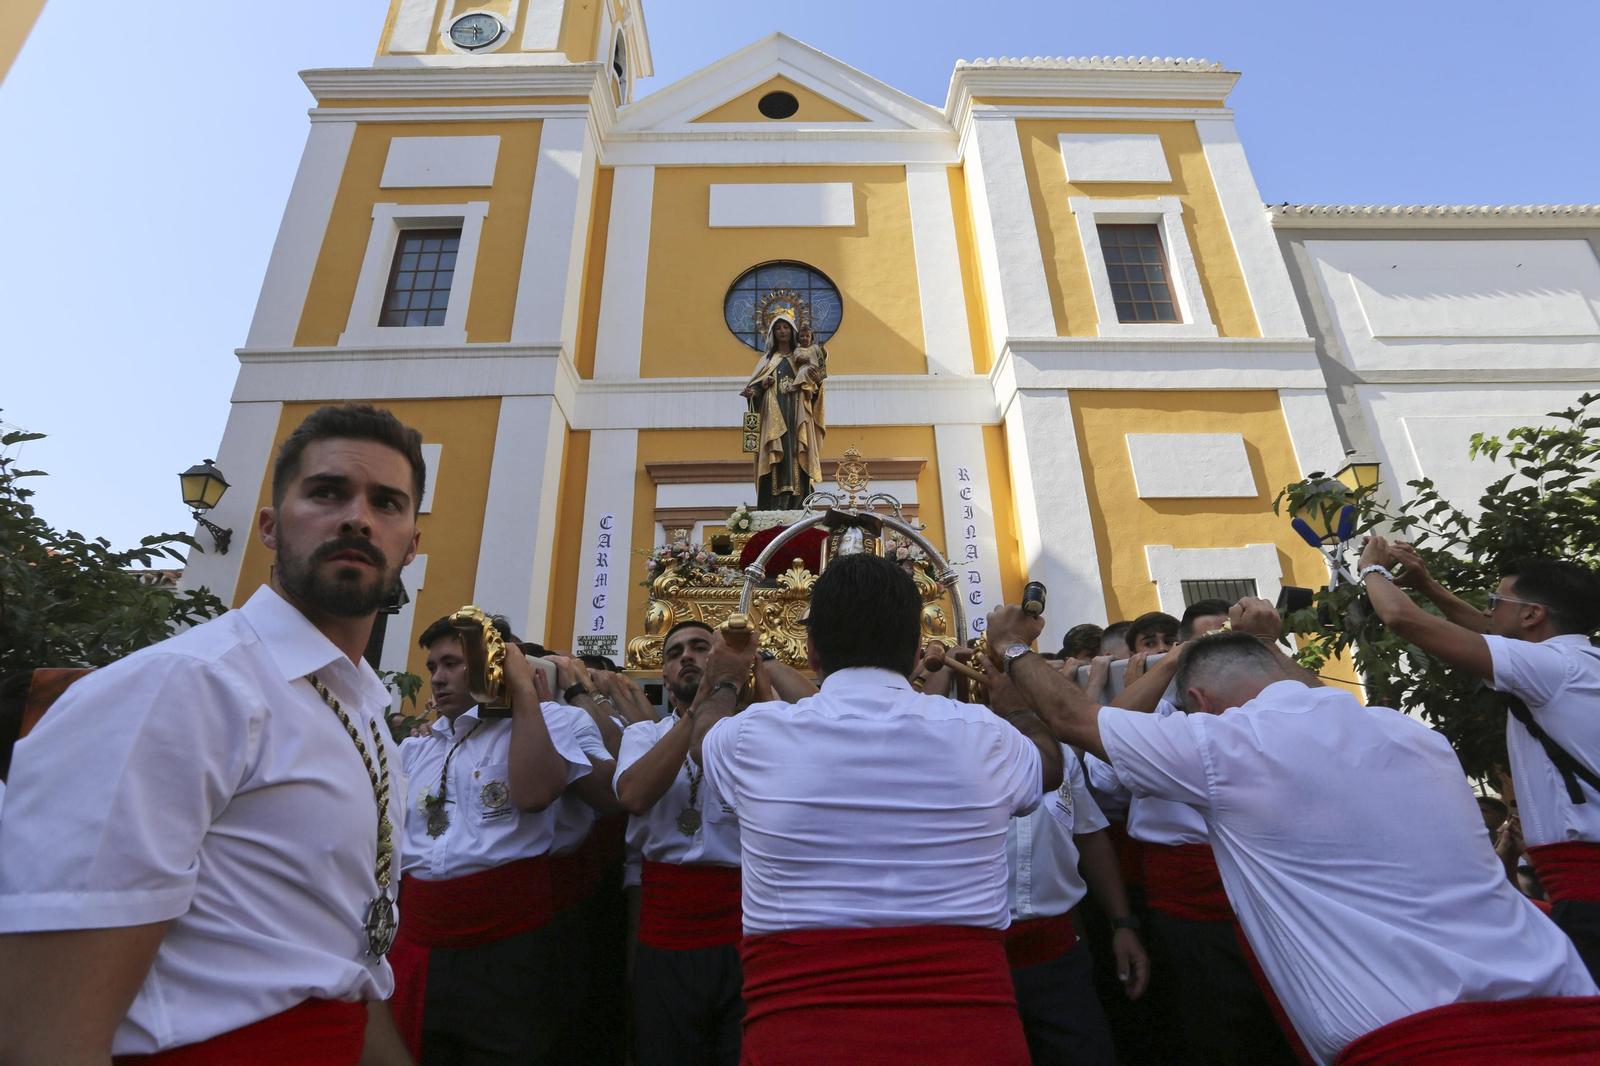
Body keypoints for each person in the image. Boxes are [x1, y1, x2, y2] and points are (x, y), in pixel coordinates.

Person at [989, 599, 1600, 1065]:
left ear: (1199, 703)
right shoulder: (1410, 734)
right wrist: (1266, 643)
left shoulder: (1225, 746)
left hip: (1418, 1035)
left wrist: (1014, 647)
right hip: (1569, 1004)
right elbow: (1299, 692)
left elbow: (1072, 719)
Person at [0, 403, 423, 1064]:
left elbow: (340, 968)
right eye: (326, 492)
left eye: (387, 503)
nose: (358, 517)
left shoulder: (364, 712)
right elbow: (45, 1036)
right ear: (268, 527)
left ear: (411, 545)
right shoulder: (183, 686)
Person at [691, 553, 1062, 1065]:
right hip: (968, 1036)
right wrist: (1011, 697)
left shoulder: (753, 735)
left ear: (813, 652)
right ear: (915, 652)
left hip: (801, 1038)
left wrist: (727, 677)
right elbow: (1048, 765)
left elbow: (702, 738)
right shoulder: (986, 734)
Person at [1361, 541, 1600, 980]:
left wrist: (1371, 569)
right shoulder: (1579, 662)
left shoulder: (1552, 668)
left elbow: (1402, 619)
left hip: (1589, 890)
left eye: (1496, 602)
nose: (1488, 612)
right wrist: (1430, 586)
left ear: (1532, 615)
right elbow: (1487, 634)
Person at [386, 615, 612, 1065]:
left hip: (508, 945)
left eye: (452, 663)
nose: (437, 678)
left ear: (492, 666)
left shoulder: (547, 722)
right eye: (432, 666)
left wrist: (523, 690)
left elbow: (532, 795)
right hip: (422, 943)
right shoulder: (417, 747)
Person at [1086, 638, 1304, 1066]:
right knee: (1208, 1024)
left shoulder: (1271, 721)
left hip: (1274, 891)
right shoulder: (1160, 718)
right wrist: (1163, 670)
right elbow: (1103, 771)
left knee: (1287, 1020)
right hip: (1186, 898)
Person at [983, 669, 1148, 1066]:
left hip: (1058, 955)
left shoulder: (1058, 755)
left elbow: (1089, 837)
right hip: (981, 960)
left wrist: (1123, 924)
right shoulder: (959, 749)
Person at [613, 621, 746, 1066]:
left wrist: (729, 689)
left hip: (741, 929)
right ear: (665, 678)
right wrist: (700, 707)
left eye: (700, 648)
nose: (686, 657)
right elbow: (633, 795)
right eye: (674, 653)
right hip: (665, 931)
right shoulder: (643, 735)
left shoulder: (752, 729)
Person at [741, 315, 824, 510]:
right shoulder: (768, 360)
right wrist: (756, 389)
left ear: (793, 331)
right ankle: (773, 507)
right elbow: (755, 391)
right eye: (777, 328)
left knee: (797, 453)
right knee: (776, 457)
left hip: (798, 418)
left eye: (785, 327)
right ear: (772, 333)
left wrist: (817, 381)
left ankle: (799, 505)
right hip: (773, 420)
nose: (782, 331)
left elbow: (816, 391)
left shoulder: (803, 359)